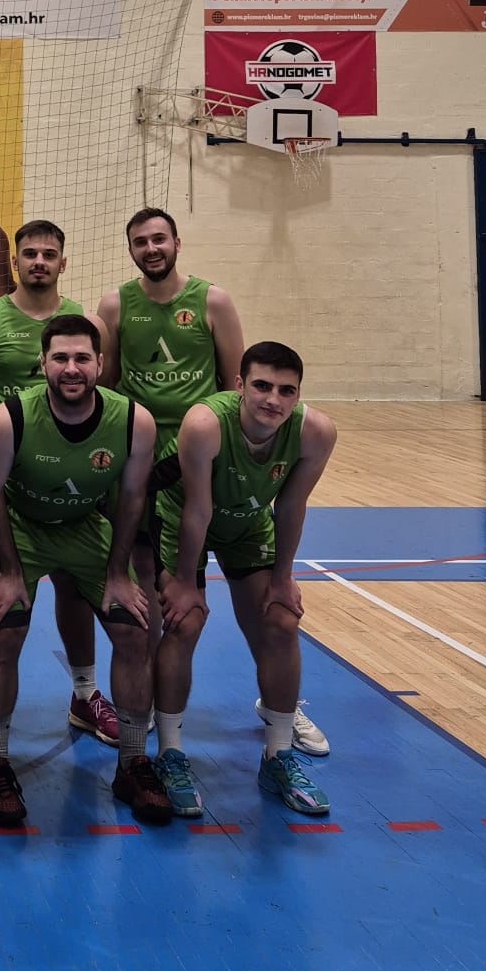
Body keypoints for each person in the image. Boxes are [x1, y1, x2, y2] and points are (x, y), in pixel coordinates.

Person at [95, 209, 329, 768]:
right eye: (140, 241)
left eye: (159, 238)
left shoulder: (213, 302)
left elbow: (234, 380)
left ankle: (280, 705)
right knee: (163, 604)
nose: (151, 248)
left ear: (177, 242)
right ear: (130, 249)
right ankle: (155, 712)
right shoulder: (114, 305)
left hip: (213, 451)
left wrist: (231, 434)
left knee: (269, 615)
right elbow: (109, 385)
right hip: (152, 469)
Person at [0, 315, 168, 827]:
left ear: (101, 364)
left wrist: (119, 572)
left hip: (84, 526)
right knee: (4, 629)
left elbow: (132, 497)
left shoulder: (134, 421)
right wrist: (9, 571)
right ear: (43, 364)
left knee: (134, 629)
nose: (71, 368)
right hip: (21, 528)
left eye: (82, 358)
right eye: (60, 357)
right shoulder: (11, 417)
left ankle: (133, 763)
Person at [153, 343, 338, 818]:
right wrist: (186, 583)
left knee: (281, 620)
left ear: (298, 395)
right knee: (185, 621)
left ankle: (278, 756)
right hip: (179, 517)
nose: (272, 399)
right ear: (239, 385)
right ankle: (170, 753)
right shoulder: (205, 424)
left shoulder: (315, 433)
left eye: (286, 390)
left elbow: (290, 506)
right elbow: (198, 509)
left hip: (249, 524)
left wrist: (283, 577)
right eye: (261, 386)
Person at [0, 219, 116, 751]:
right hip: (10, 493)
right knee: (0, 599)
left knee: (75, 590)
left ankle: (85, 693)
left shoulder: (86, 325)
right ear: (15, 262)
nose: (39, 262)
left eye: (49, 254)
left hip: (76, 486)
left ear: (63, 262)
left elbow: (105, 392)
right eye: (30, 253)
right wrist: (7, 444)